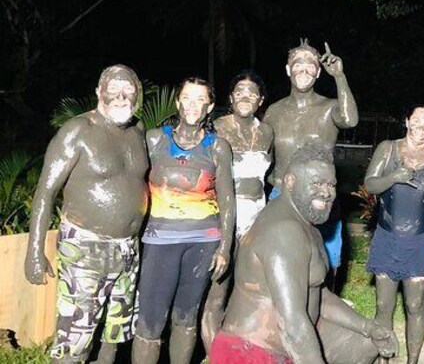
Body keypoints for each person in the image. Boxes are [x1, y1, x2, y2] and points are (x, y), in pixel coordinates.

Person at [211, 144, 398, 364]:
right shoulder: (284, 231)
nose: (327, 192)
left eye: (331, 184)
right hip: (251, 352)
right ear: (290, 182)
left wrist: (369, 327)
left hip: (286, 344)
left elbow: (318, 294)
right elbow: (292, 326)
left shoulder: (306, 224)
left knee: (365, 341)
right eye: (317, 183)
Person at [25, 65, 148, 364]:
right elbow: (45, 192)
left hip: (129, 249)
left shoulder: (138, 130)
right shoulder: (78, 130)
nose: (121, 96)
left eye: (128, 89)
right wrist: (34, 252)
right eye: (113, 89)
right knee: (74, 340)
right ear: (99, 92)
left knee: (115, 333)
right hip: (85, 249)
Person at [132, 77, 234, 364]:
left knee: (186, 315)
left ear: (210, 106)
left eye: (200, 99)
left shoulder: (218, 147)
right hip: (159, 241)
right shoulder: (155, 139)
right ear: (178, 102)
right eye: (187, 98)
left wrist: (224, 247)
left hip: (203, 243)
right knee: (150, 320)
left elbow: (227, 200)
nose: (192, 105)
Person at [264, 40, 358, 280]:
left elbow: (350, 120)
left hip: (320, 197)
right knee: (282, 262)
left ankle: (324, 310)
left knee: (324, 262)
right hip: (282, 196)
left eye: (310, 64)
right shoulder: (274, 112)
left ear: (318, 71)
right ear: (288, 69)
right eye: (298, 63)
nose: (304, 68)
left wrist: (339, 76)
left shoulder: (329, 107)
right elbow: (263, 154)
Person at [364, 104, 424, 364]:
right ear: (407, 121)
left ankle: (412, 361)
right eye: (418, 120)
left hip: (421, 241)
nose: (422, 127)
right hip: (387, 237)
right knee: (383, 307)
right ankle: (383, 358)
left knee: (414, 306)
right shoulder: (387, 148)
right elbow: (370, 183)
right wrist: (394, 176)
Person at [201, 71, 274, 352]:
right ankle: (213, 354)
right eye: (240, 91)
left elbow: (268, 177)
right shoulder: (216, 128)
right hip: (225, 215)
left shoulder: (267, 132)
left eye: (252, 92)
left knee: (250, 286)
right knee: (219, 287)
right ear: (231, 98)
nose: (246, 96)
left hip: (258, 216)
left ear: (261, 100)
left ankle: (243, 347)